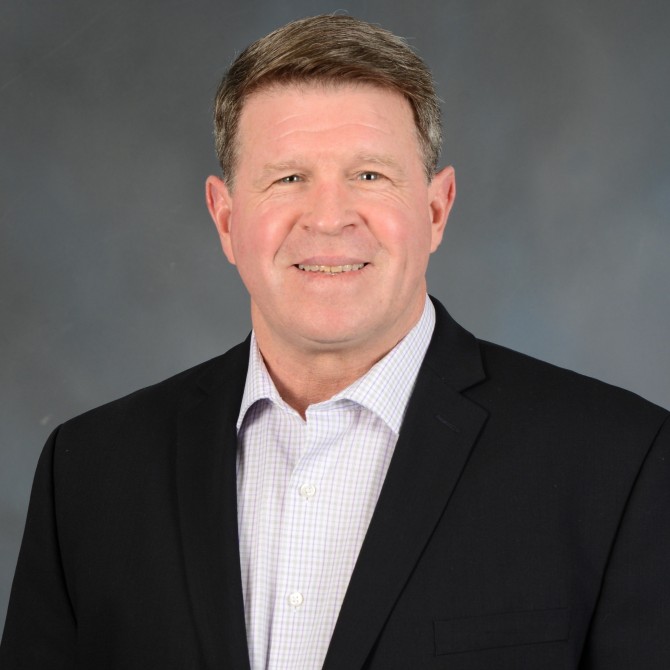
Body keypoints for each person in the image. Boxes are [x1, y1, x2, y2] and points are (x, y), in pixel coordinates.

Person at [1, 14, 668, 670]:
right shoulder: (88, 473)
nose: (328, 218)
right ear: (226, 219)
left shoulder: (620, 464)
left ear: (436, 209)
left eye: (369, 175)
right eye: (288, 177)